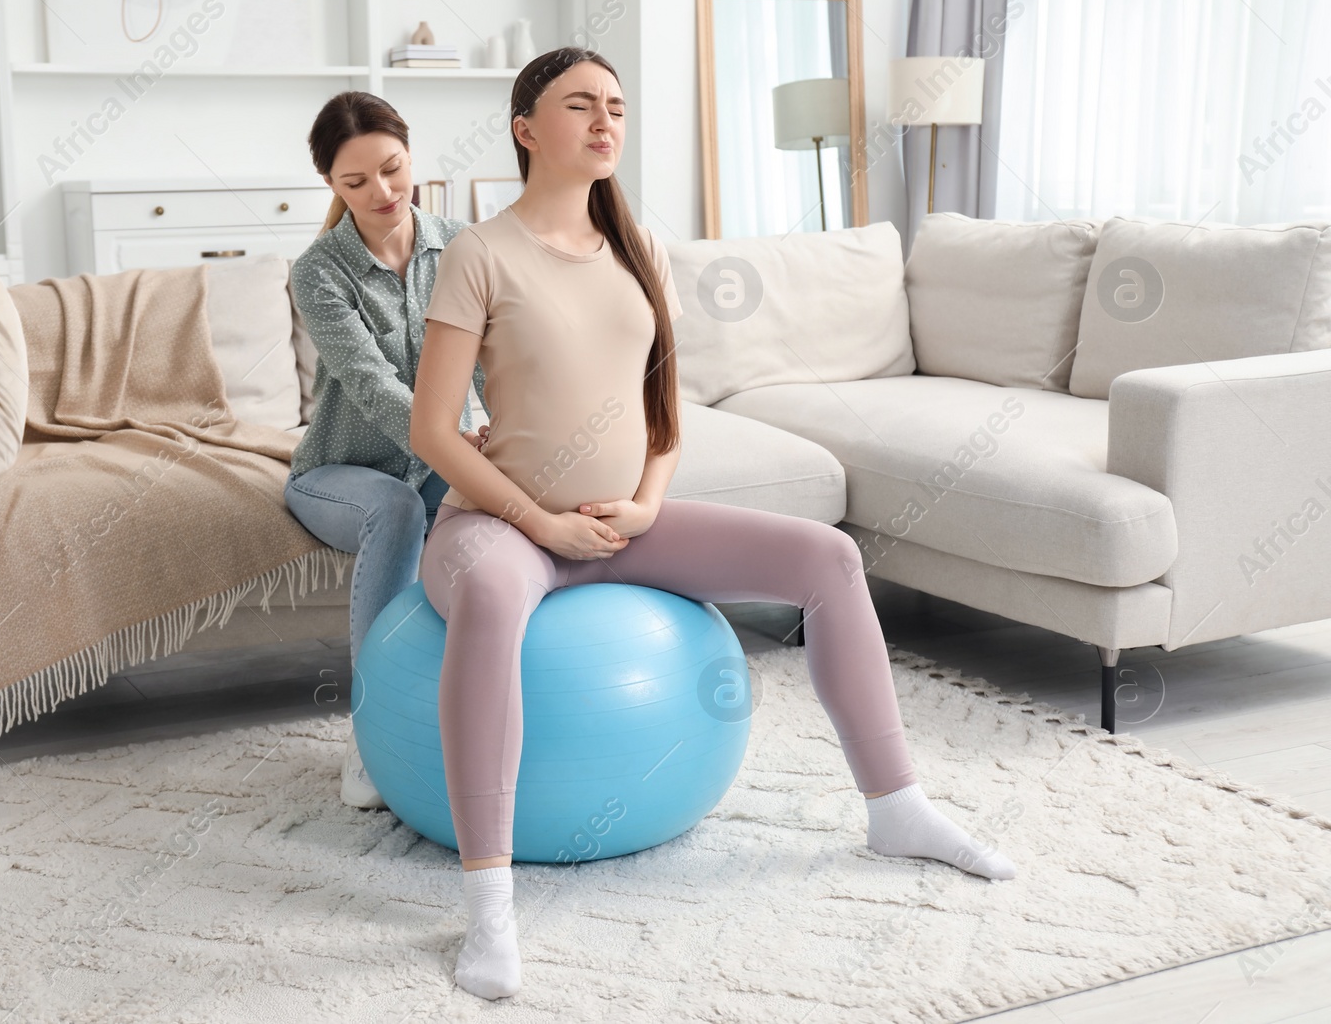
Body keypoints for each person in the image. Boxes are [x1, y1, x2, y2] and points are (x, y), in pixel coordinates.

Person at [405, 48, 1018, 1001]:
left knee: (830, 556)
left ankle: (897, 805)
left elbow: (663, 413)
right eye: (581, 106)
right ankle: (489, 902)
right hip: (500, 527)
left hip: (624, 524)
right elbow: (433, 430)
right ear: (527, 129)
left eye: (617, 104)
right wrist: (540, 524)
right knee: (489, 590)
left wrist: (648, 501)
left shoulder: (640, 248)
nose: (607, 121)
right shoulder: (481, 254)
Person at [284, 91, 490, 809]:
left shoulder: (465, 246)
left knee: (498, 517)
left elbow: (495, 363)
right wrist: (457, 443)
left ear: (411, 155)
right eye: (355, 182)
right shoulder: (318, 271)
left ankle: (476, 706)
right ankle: (370, 734)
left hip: (441, 456)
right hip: (342, 472)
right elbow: (370, 385)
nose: (381, 193)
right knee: (400, 507)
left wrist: (507, 440)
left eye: (392, 169)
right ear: (331, 187)